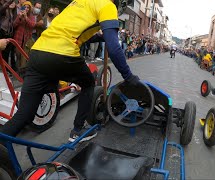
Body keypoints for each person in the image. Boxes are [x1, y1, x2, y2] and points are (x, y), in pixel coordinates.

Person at [0, 0, 140, 143]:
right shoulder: (107, 5)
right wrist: (128, 76)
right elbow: (115, 48)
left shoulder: (78, 2)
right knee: (89, 83)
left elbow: (71, 32)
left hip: (37, 53)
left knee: (25, 114)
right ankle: (77, 131)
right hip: (62, 54)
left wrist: (98, 36)